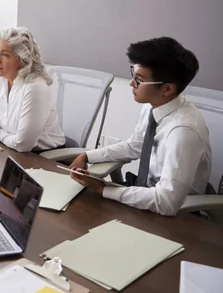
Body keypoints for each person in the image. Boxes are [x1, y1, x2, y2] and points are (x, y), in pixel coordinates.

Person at [69, 37, 212, 216]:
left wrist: (103, 189)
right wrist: (88, 155)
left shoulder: (183, 132)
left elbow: (166, 202)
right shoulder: (153, 106)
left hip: (176, 218)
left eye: (139, 80)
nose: (131, 84)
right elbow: (135, 146)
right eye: (133, 75)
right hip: (145, 198)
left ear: (167, 89)